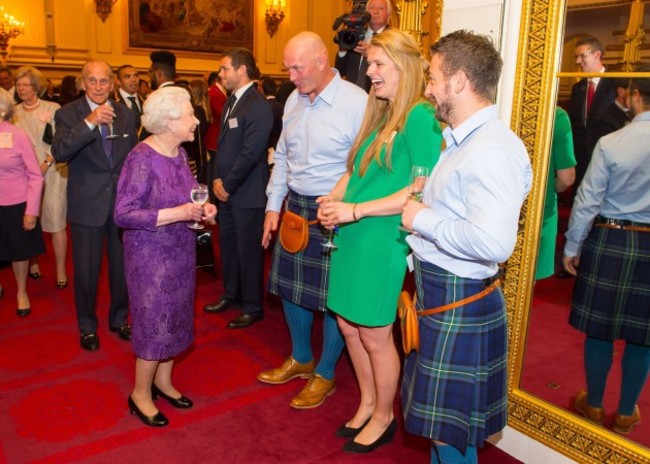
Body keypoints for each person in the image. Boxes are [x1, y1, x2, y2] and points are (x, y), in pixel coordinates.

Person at [400, 30, 532, 463]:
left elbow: (493, 243)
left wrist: (421, 218)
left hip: (461, 300)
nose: (428, 88)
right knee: (443, 432)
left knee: (451, 435)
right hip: (442, 296)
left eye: (434, 77)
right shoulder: (459, 142)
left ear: (458, 82)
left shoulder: (492, 150)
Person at [318, 29, 442, 453]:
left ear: (403, 65)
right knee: (348, 326)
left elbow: (419, 190)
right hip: (352, 236)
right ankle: (368, 402)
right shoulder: (382, 113)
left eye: (377, 65)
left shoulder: (421, 117)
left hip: (383, 239)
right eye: (369, 64)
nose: (368, 72)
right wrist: (334, 198)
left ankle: (386, 415)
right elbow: (358, 171)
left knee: (373, 332)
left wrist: (355, 210)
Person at [258, 32, 367, 409]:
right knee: (290, 288)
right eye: (287, 67)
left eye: (297, 67)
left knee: (334, 298)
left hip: (333, 212)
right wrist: (273, 206)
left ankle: (325, 372)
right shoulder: (293, 99)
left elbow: (363, 166)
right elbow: (283, 159)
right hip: (295, 208)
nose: (291, 75)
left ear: (322, 61)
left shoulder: (357, 102)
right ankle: (301, 357)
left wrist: (342, 202)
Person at [114, 86, 217, 427]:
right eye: (190, 114)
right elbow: (123, 213)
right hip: (150, 258)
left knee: (176, 318)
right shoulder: (141, 158)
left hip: (180, 253)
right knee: (153, 323)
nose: (195, 120)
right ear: (170, 121)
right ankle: (140, 394)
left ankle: (163, 382)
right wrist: (178, 213)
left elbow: (189, 195)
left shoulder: (177, 153)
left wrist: (203, 210)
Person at [562, 71, 650, 436]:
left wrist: (572, 246)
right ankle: (627, 412)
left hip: (611, 238)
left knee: (599, 330)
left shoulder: (613, 142)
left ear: (633, 97)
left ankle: (595, 405)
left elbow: (587, 200)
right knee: (644, 335)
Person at [52, 59, 137, 351]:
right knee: (86, 272)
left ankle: (119, 318)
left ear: (112, 83)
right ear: (82, 82)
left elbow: (131, 158)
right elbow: (60, 151)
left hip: (120, 204)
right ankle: (87, 325)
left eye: (104, 81)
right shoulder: (67, 113)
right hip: (86, 205)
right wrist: (90, 122)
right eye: (92, 81)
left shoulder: (126, 114)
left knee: (121, 269)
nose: (99, 87)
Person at [203, 48, 272, 329]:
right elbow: (223, 146)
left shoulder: (258, 104)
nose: (221, 74)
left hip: (247, 193)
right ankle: (231, 294)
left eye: (225, 69)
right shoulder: (233, 100)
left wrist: (227, 184)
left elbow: (251, 152)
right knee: (229, 247)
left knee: (249, 252)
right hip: (227, 191)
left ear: (241, 70)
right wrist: (217, 180)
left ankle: (252, 306)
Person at [13, 66, 69, 289]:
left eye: (26, 84)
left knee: (56, 220)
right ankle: (33, 264)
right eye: (18, 85)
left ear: (36, 87)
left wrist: (45, 164)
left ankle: (61, 268)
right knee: (29, 220)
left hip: (53, 170)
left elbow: (60, 141)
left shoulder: (53, 108)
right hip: (23, 175)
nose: (21, 88)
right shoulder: (12, 111)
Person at [0, 88, 45, 317]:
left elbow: (36, 176)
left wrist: (32, 211)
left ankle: (21, 292)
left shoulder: (17, 135)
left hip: (16, 203)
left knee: (19, 252)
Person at [567, 37, 616, 195]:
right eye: (576, 57)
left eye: (582, 56)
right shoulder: (578, 88)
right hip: (581, 158)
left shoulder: (615, 83)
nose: (578, 61)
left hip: (607, 156)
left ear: (597, 55)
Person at [535, 107, 576, 280]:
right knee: (523, 286)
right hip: (538, 208)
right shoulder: (555, 116)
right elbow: (567, 178)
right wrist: (550, 187)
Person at [334, 0, 391, 92]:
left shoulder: (393, 39)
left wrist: (370, 54)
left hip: (377, 97)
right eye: (372, 8)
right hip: (351, 95)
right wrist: (342, 49)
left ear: (389, 15)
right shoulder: (354, 34)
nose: (375, 12)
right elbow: (340, 71)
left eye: (381, 8)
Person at [112, 64, 146, 140]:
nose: (133, 80)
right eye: (127, 76)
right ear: (119, 82)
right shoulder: (110, 103)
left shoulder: (148, 102)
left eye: (136, 76)